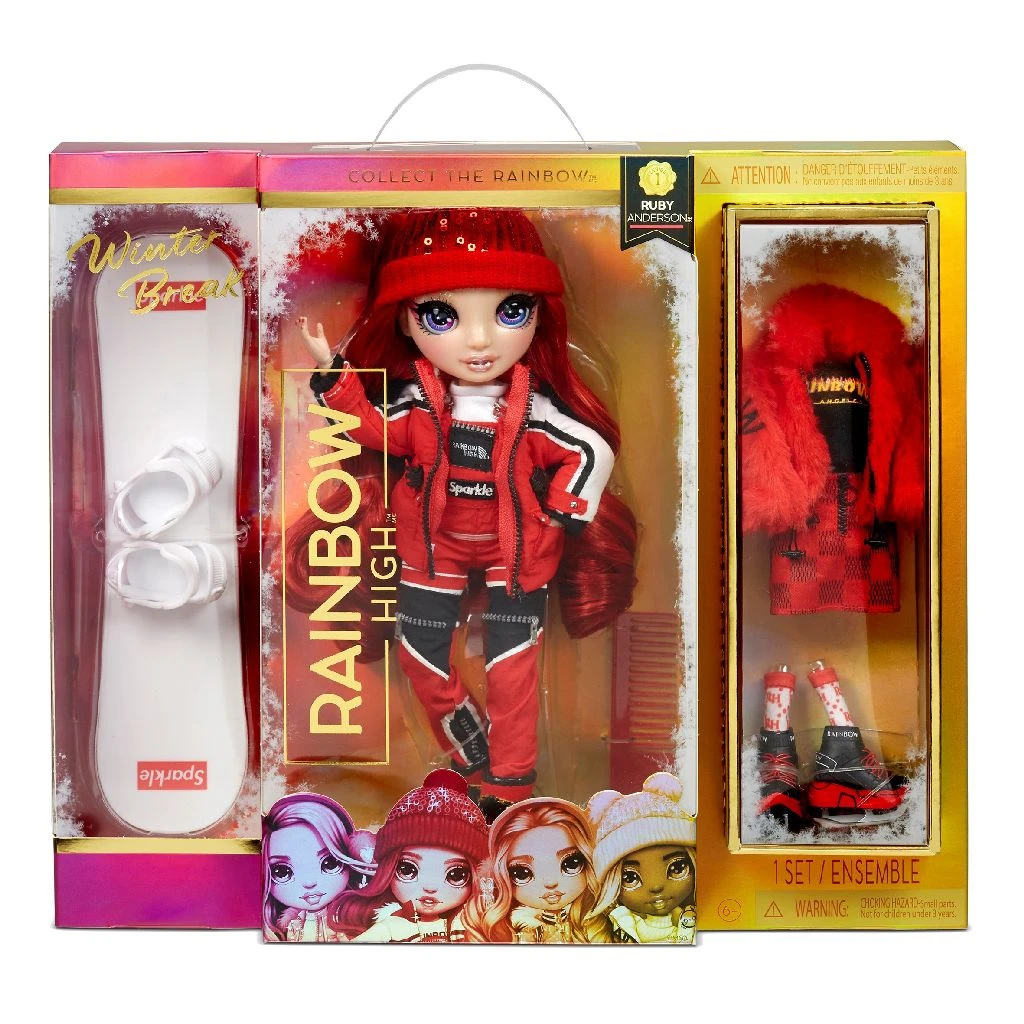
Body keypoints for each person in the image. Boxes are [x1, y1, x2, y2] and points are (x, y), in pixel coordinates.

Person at [293, 208, 636, 815]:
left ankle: (511, 784)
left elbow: (590, 450)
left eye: (511, 311)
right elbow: (369, 428)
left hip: (517, 555)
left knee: (514, 673)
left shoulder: (534, 411)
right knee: (420, 657)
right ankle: (471, 750)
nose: (479, 342)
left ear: (540, 314)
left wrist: (559, 514)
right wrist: (335, 376)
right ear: (405, 320)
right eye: (441, 316)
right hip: (433, 551)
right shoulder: (418, 408)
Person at [331, 768, 489, 942]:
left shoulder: (470, 922)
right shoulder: (392, 926)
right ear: (388, 870)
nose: (430, 887)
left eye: (455, 875)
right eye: (408, 869)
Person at [463, 797, 607, 943]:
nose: (550, 882)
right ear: (501, 875)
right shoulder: (512, 927)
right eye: (522, 873)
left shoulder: (597, 919)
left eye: (570, 864)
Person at [586, 772, 696, 943]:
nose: (656, 886)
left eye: (677, 868)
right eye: (630, 878)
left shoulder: (696, 920)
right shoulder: (617, 926)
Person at [262, 793, 375, 942]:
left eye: (329, 863)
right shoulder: (289, 925)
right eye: (282, 872)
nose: (309, 882)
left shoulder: (352, 915)